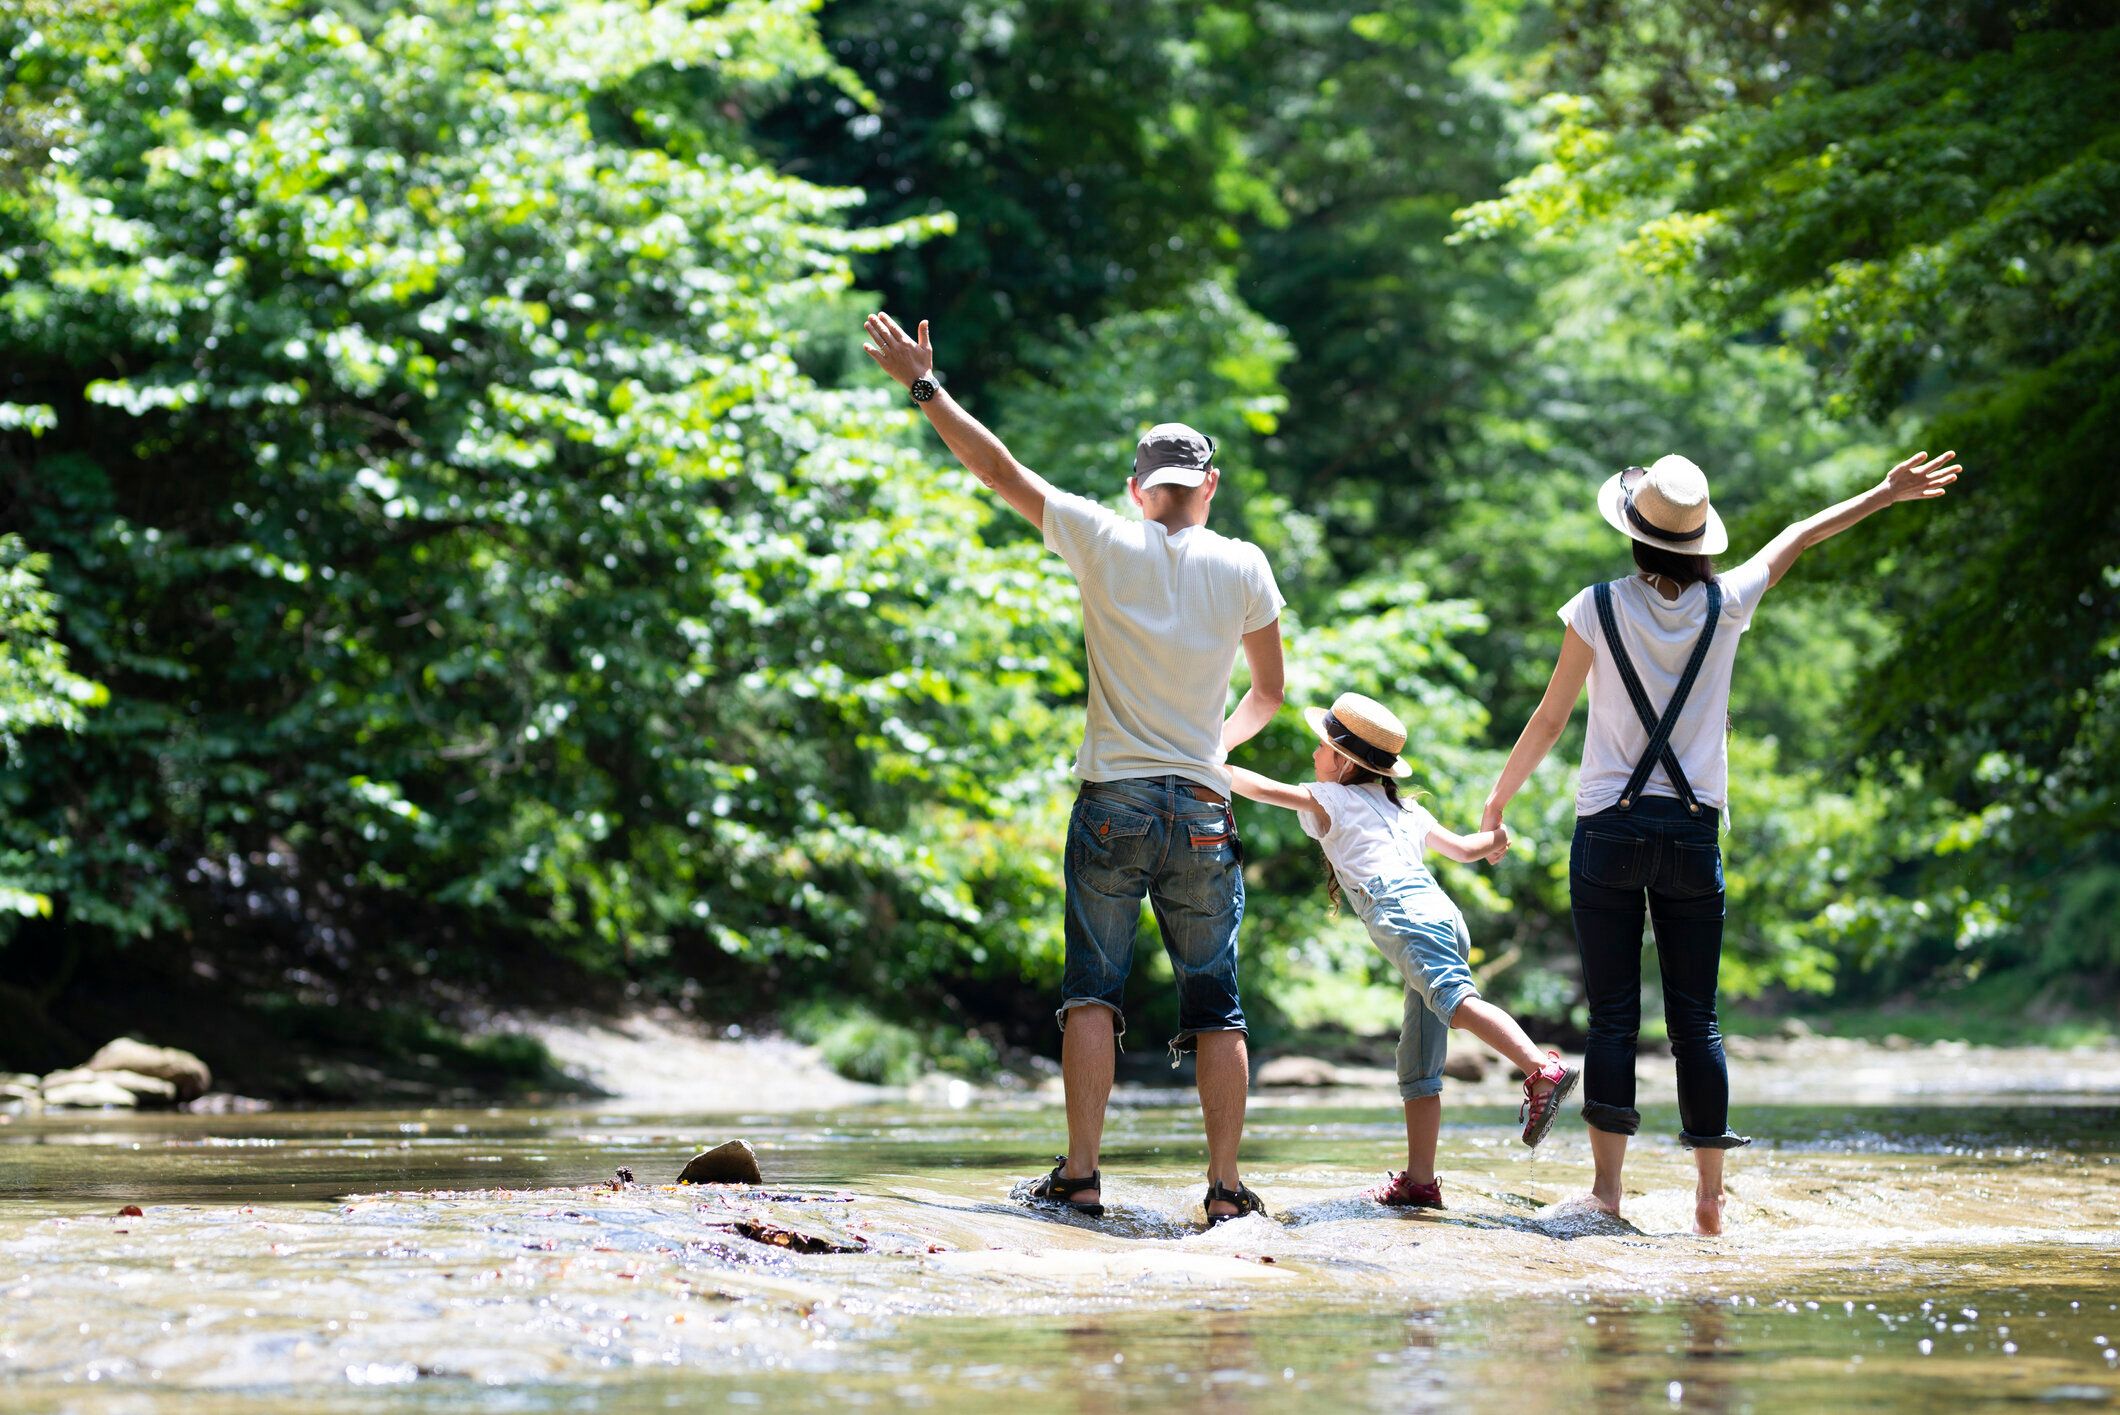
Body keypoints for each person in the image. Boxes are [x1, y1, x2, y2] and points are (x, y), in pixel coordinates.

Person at [861, 312, 1288, 1225]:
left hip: (1112, 803)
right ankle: (1223, 1188)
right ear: (1207, 487)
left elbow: (997, 471)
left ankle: (1083, 1176)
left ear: (1139, 489)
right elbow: (1271, 694)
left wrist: (924, 386)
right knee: (1217, 1002)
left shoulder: (1100, 535)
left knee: (1093, 989)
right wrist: (1215, 749)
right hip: (1204, 808)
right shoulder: (1246, 565)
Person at [1480, 449, 1963, 1235]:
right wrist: (1884, 491)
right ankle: (1709, 1197)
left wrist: (1497, 803)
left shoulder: (1595, 606)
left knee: (1611, 1017)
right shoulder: (1726, 601)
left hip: (1608, 824)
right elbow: (1799, 535)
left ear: (1634, 535)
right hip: (1693, 831)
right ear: (1704, 541)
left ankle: (1608, 1192)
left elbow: (1549, 718)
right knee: (1696, 1020)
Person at [1227, 692, 1578, 1210]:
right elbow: (1463, 848)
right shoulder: (1405, 807)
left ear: (1344, 761)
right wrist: (1495, 839)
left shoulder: (1333, 798)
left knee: (1454, 999)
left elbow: (1263, 789)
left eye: (1321, 749)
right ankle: (1420, 1180)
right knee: (1418, 1064)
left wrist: (1209, 763)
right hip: (1442, 914)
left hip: (1404, 916)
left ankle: (1538, 1067)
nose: (1314, 757)